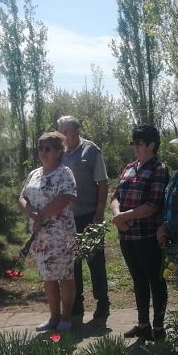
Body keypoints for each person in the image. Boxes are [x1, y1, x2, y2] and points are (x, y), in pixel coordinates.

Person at [111, 125, 169, 341]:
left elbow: (153, 204)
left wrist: (124, 217)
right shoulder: (129, 167)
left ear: (152, 145)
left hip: (148, 236)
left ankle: (159, 328)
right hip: (127, 236)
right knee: (138, 279)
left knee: (155, 280)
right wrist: (118, 216)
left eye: (139, 143)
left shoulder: (159, 169)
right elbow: (115, 196)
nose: (135, 147)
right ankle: (143, 324)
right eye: (133, 143)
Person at [19, 131, 77, 331]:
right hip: (41, 236)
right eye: (40, 148)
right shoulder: (34, 174)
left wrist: (41, 215)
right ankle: (53, 318)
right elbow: (22, 197)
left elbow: (66, 196)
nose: (43, 152)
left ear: (59, 151)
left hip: (61, 235)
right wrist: (31, 212)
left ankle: (66, 318)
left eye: (48, 148)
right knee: (48, 276)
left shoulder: (64, 173)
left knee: (65, 276)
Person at [56, 116, 110, 321]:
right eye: (60, 131)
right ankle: (76, 303)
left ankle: (102, 302)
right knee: (72, 263)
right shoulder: (58, 152)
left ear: (77, 131)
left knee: (95, 260)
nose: (63, 136)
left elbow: (102, 182)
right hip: (66, 218)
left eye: (66, 131)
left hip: (89, 215)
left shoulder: (91, 150)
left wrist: (99, 211)